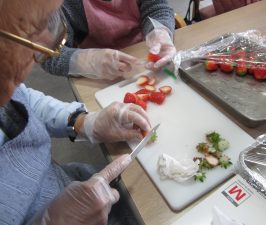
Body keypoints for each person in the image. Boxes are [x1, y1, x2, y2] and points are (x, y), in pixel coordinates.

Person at [0, 0, 152, 224]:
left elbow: (21, 99)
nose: (38, 58)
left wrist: (84, 122)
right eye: (33, 31)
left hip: (67, 181)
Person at [41, 0, 177, 80]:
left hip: (145, 57)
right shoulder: (64, 4)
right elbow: (46, 53)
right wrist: (87, 61)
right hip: (97, 77)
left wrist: (159, 31)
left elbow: (157, 8)